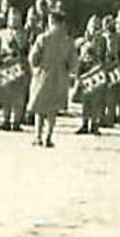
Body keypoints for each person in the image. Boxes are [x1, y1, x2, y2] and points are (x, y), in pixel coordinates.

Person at [27, 8, 77, 148]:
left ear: (51, 22)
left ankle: (37, 136)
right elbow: (73, 62)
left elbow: (33, 57)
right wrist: (68, 72)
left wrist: (35, 68)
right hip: (60, 77)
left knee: (39, 108)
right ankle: (48, 137)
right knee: (52, 110)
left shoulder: (43, 38)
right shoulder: (68, 41)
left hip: (43, 74)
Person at [0, 8, 29, 131]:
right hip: (5, 65)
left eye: (16, 17)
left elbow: (29, 50)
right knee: (5, 95)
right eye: (11, 17)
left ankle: (16, 122)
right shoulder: (2, 33)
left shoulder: (25, 34)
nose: (14, 20)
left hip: (19, 66)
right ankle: (5, 120)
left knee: (18, 96)